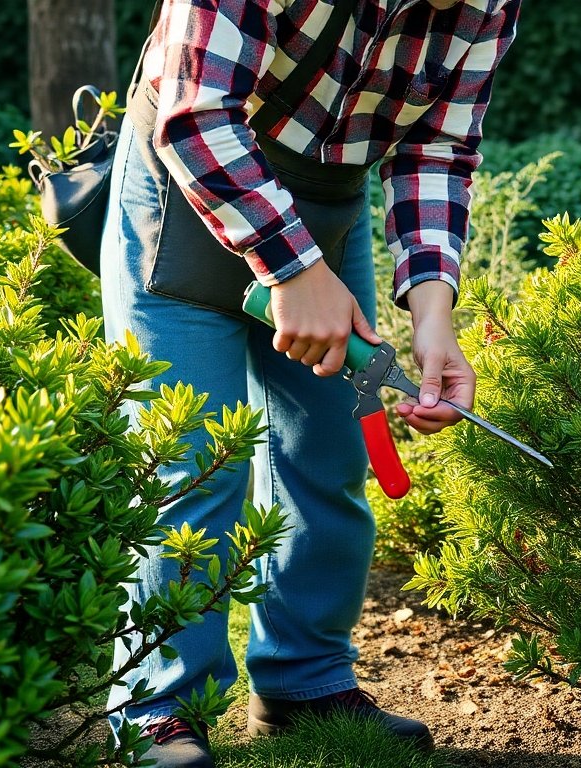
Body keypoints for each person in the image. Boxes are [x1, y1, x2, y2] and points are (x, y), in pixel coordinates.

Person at [98, 0, 520, 765]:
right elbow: (196, 117)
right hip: (186, 178)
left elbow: (440, 145)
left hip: (325, 204)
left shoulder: (487, 5)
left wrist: (433, 314)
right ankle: (159, 704)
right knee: (190, 461)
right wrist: (294, 269)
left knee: (326, 455)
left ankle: (304, 681)